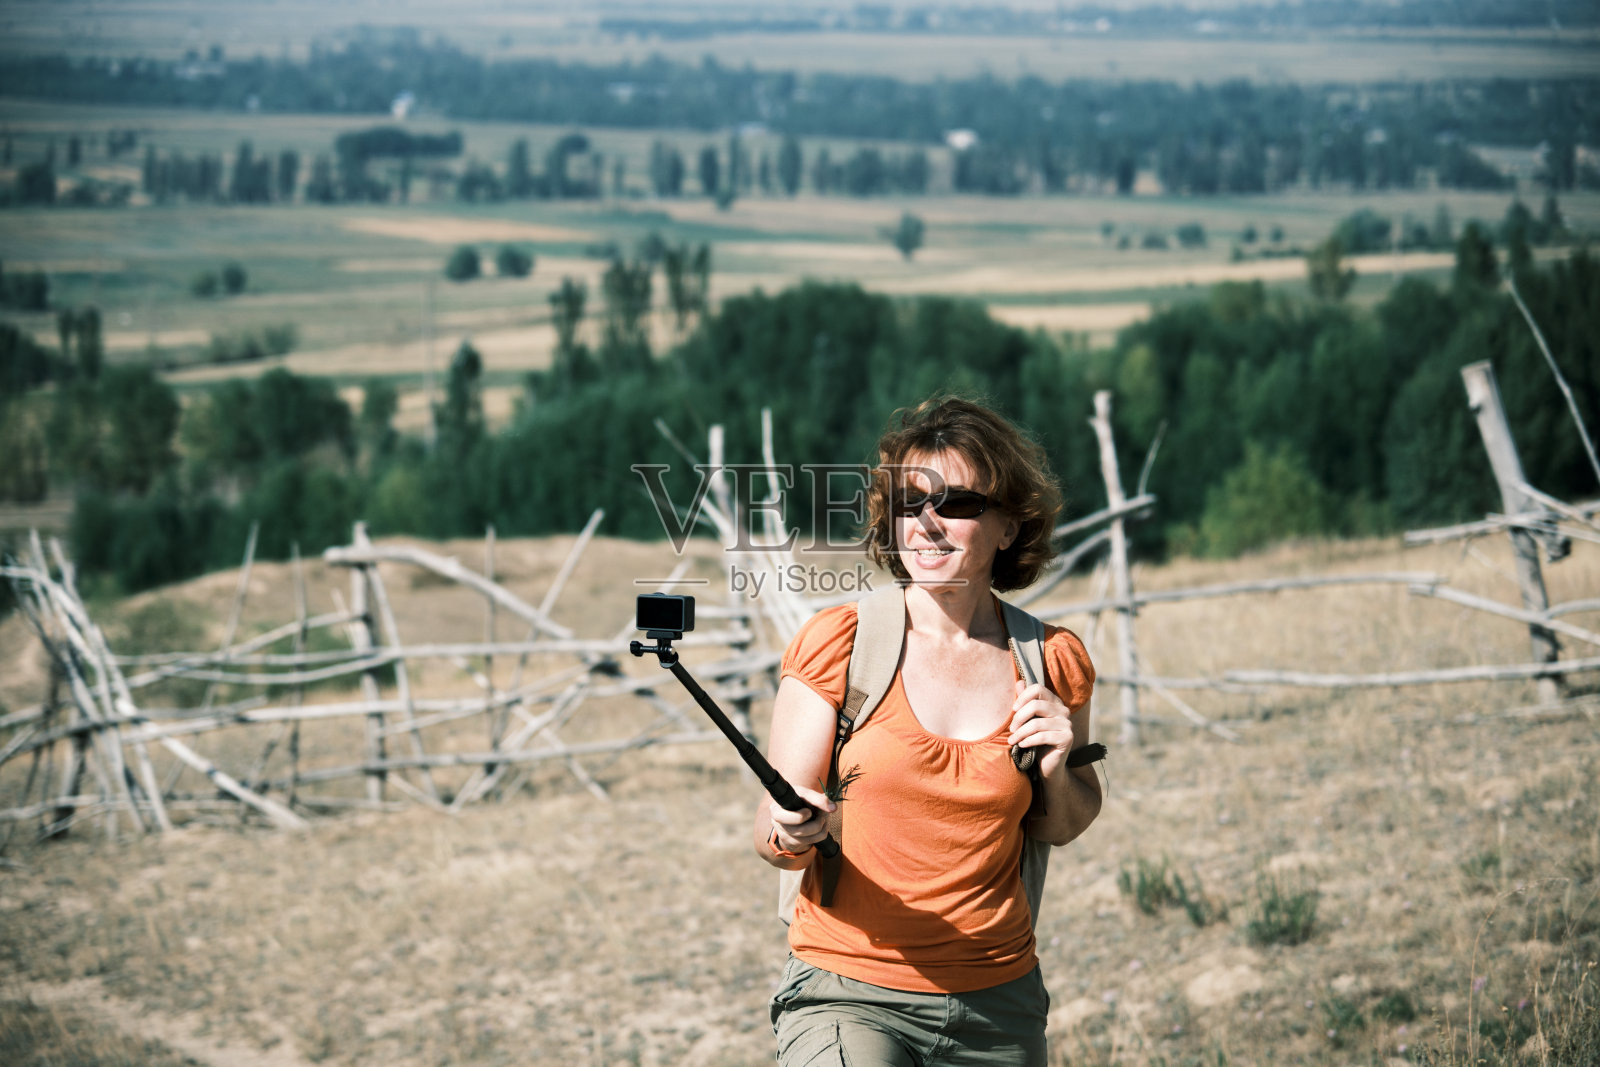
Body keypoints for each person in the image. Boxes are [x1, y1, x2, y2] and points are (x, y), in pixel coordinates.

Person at [753, 395, 1102, 1066]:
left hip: (1000, 1005)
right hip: (846, 992)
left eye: (959, 504)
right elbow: (775, 836)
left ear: (1007, 527)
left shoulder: (1050, 661)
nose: (930, 524)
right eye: (912, 503)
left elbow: (1063, 823)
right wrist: (789, 829)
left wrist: (1058, 766)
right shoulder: (840, 645)